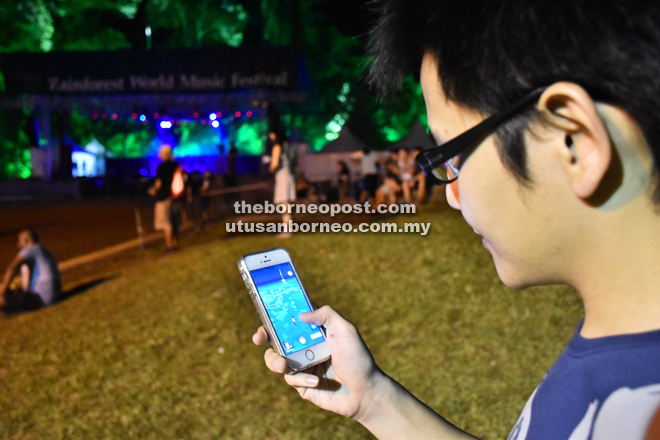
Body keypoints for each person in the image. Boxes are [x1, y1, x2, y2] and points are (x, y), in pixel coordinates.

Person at [252, 1, 660, 438]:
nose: (451, 194)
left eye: (450, 154)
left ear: (571, 141)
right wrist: (373, 399)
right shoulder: (619, 354)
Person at [0, 229, 61, 312]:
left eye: (19, 241)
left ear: (26, 240)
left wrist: (3, 290)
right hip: (54, 296)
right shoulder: (44, 250)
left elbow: (13, 267)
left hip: (40, 299)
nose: (18, 245)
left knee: (3, 297)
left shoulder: (30, 250)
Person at [148, 146, 180, 251]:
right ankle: (174, 243)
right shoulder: (176, 165)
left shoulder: (161, 167)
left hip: (163, 197)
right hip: (175, 197)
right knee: (173, 221)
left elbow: (159, 184)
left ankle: (169, 245)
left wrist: (153, 191)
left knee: (164, 223)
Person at [270, 132, 297, 237]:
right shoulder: (290, 147)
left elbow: (275, 164)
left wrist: (270, 168)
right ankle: (288, 229)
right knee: (288, 205)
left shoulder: (277, 147)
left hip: (282, 176)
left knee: (284, 205)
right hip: (290, 176)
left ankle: (287, 230)